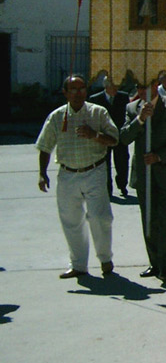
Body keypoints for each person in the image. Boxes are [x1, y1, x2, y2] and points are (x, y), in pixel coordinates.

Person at [36, 74, 120, 279]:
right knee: (71, 221)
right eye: (73, 89)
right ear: (65, 92)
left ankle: (105, 258)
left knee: (100, 217)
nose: (77, 93)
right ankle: (78, 264)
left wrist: (94, 135)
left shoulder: (98, 112)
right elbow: (45, 146)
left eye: (81, 88)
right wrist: (42, 173)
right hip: (68, 174)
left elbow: (114, 139)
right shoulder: (57, 116)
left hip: (94, 171)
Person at [122, 77, 166, 283]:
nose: (143, 91)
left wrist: (160, 156)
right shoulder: (132, 108)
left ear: (155, 86)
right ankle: (155, 262)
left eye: (146, 86)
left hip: (165, 173)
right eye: (139, 87)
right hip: (143, 175)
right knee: (149, 220)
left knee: (165, 221)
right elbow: (124, 137)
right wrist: (140, 119)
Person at [89, 76, 131, 198]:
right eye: (113, 86)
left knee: (122, 162)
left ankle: (122, 185)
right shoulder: (95, 99)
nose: (116, 89)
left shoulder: (123, 97)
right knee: (104, 163)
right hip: (103, 137)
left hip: (119, 136)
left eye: (117, 86)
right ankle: (108, 189)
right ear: (106, 86)